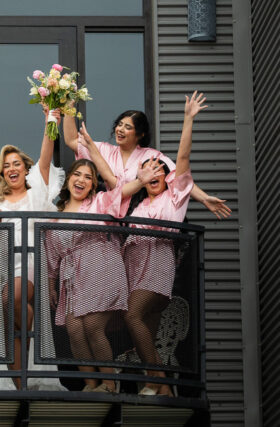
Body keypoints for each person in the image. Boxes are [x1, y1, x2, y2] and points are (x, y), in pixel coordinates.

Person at [93, 92, 206, 396]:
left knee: (132, 315)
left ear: (169, 178)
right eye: (150, 170)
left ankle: (160, 380)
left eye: (160, 171)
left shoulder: (175, 196)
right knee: (143, 327)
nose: (155, 173)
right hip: (134, 265)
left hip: (156, 264)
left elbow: (182, 160)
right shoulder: (139, 206)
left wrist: (188, 119)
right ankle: (157, 385)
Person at [44, 146, 152, 393]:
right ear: (68, 179)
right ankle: (92, 385)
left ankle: (109, 383)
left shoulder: (99, 202)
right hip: (71, 275)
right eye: (77, 175)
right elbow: (51, 254)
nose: (81, 180)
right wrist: (51, 284)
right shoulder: (54, 216)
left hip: (100, 264)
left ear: (93, 186)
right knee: (74, 329)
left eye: (88, 178)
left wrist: (140, 181)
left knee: (92, 326)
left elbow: (120, 193)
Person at [0, 108, 65, 390]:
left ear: (25, 168)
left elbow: (46, 158)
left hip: (30, 265)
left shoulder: (36, 191)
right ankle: (19, 386)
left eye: (16, 164)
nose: (12, 169)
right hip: (3, 265)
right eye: (6, 166)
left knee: (13, 300)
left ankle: (22, 375)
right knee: (15, 322)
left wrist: (51, 120)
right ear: (1, 172)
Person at [63, 107, 229, 219]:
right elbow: (71, 140)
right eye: (119, 125)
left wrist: (205, 199)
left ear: (140, 134)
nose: (120, 129)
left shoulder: (151, 156)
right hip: (110, 216)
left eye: (127, 127)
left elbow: (178, 177)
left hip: (137, 218)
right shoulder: (104, 150)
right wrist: (68, 105)